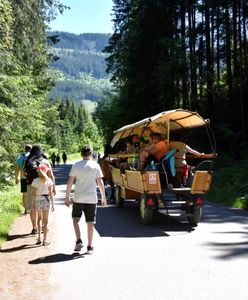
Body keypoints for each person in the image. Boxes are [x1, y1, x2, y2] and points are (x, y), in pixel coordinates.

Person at [65, 145, 107, 253]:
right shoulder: (95, 165)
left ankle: (78, 241)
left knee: (75, 220)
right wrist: (103, 197)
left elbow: (70, 182)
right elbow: (100, 183)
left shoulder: (76, 165)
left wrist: (67, 197)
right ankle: (89, 246)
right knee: (90, 223)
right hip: (91, 198)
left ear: (81, 154)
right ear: (91, 153)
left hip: (78, 197)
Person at [23, 144, 56, 234]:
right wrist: (54, 187)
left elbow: (23, 172)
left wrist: (29, 178)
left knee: (32, 209)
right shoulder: (45, 161)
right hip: (44, 186)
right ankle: (43, 227)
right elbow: (51, 175)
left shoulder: (27, 160)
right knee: (43, 208)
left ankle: (34, 228)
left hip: (31, 186)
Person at [31, 164, 54, 246]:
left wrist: (33, 203)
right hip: (46, 200)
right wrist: (53, 205)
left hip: (38, 199)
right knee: (46, 220)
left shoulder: (35, 181)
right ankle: (45, 240)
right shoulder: (49, 180)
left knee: (39, 218)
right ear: (46, 170)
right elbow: (50, 193)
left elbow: (33, 194)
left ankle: (39, 238)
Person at [15, 144, 32, 214]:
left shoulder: (21, 157)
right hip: (31, 178)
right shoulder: (32, 156)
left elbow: (17, 168)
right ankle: (31, 208)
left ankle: (26, 209)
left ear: (25, 149)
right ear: (31, 149)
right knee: (31, 193)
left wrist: (16, 178)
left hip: (23, 178)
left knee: (24, 194)